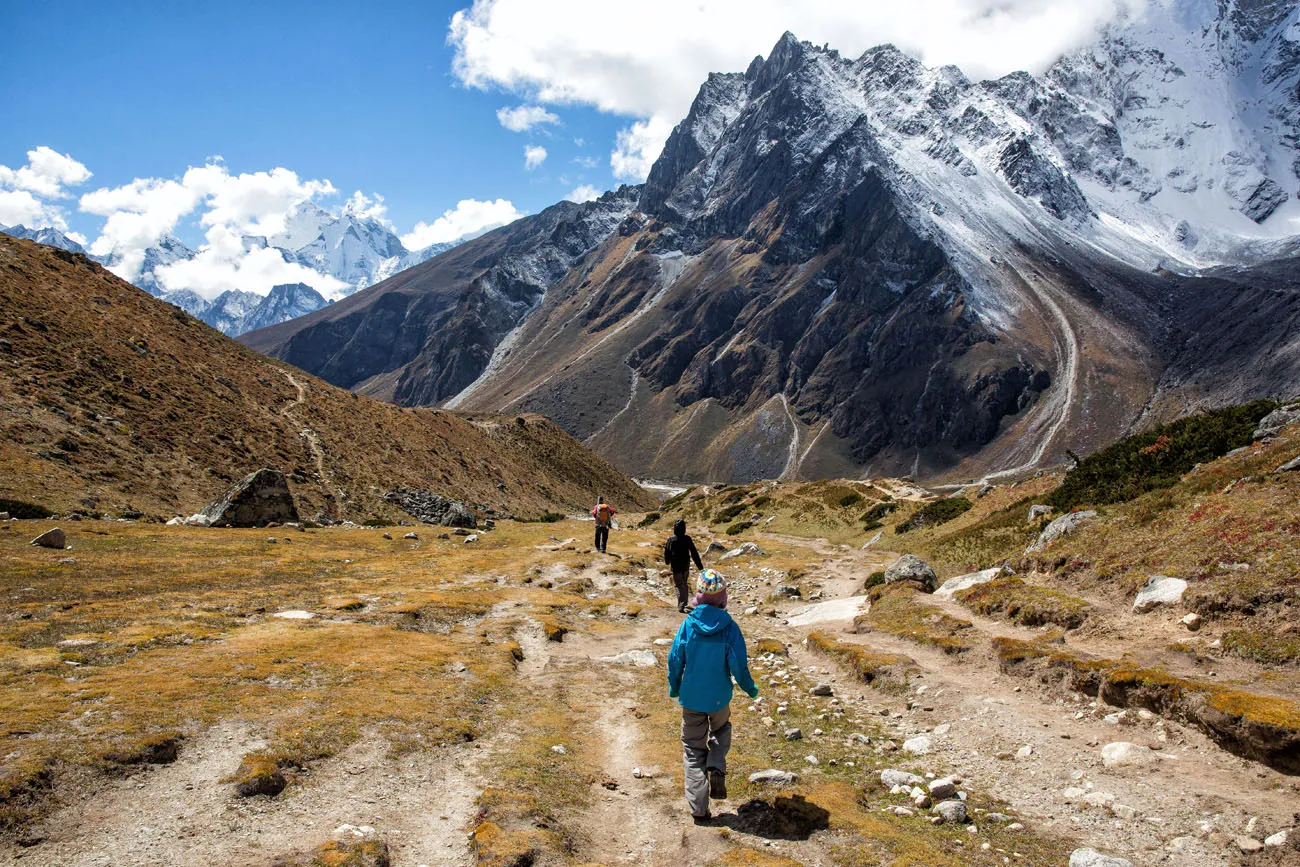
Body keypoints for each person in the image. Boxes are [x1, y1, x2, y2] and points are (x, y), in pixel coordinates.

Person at [666, 570, 758, 823]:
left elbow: (675, 659)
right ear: (723, 597)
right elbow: (739, 665)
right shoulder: (729, 627)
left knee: (693, 750)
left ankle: (698, 809)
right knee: (721, 730)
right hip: (719, 697)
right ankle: (716, 761)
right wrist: (749, 688)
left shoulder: (689, 624)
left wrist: (674, 686)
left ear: (699, 596)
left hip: (692, 698)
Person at [663, 519, 703, 612]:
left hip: (676, 566)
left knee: (678, 584)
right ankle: (684, 602)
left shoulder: (671, 539)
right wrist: (699, 565)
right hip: (685, 565)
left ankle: (682, 603)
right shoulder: (687, 539)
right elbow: (694, 552)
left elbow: (667, 552)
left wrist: (667, 561)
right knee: (684, 583)